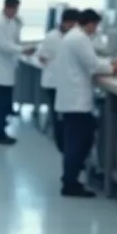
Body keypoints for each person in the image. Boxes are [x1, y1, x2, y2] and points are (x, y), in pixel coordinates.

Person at [53, 8, 117, 197]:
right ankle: (70, 184)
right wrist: (115, 67)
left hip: (72, 99)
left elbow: (92, 60)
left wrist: (111, 64)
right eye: (96, 26)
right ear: (90, 23)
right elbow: (94, 65)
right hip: (75, 101)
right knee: (79, 141)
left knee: (80, 138)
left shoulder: (74, 36)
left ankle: (69, 179)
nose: (96, 30)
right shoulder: (79, 38)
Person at [0, 0, 36, 145]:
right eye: (14, 9)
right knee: (0, 105)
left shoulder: (12, 23)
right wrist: (23, 50)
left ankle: (2, 129)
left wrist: (19, 27)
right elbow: (4, 46)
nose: (15, 13)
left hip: (8, 68)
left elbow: (14, 41)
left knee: (6, 103)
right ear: (7, 7)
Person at [36, 8, 80, 151]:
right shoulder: (53, 37)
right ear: (66, 23)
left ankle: (65, 145)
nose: (75, 28)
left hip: (62, 82)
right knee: (58, 117)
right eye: (73, 24)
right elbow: (43, 58)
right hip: (54, 83)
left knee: (63, 116)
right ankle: (62, 146)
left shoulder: (71, 37)